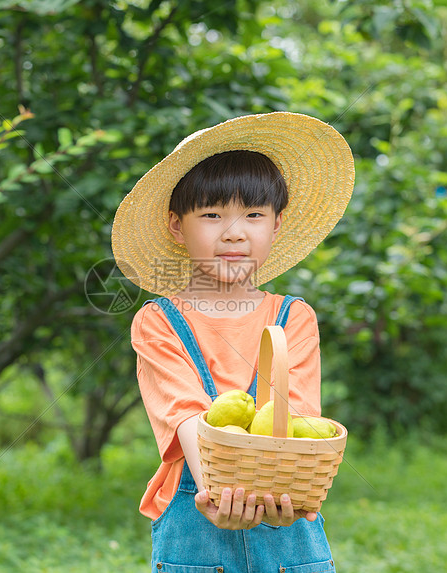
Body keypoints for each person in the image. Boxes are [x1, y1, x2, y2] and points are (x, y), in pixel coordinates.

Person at [111, 112, 354, 572]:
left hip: (285, 526)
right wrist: (219, 492)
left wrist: (273, 491)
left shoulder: (293, 319)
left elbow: (296, 417)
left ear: (276, 225)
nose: (234, 232)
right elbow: (184, 416)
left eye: (254, 215)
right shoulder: (158, 322)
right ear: (177, 226)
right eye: (212, 214)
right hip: (200, 517)